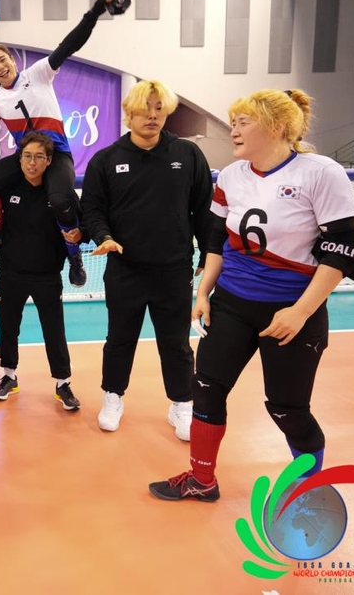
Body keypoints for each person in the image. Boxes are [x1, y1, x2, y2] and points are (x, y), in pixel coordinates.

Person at [149, 89, 354, 502]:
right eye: (233, 122)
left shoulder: (320, 173)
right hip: (231, 303)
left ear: (277, 127)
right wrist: (203, 293)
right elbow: (216, 240)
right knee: (206, 388)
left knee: (287, 409)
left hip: (291, 312)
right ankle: (202, 480)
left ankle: (308, 487)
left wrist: (300, 312)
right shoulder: (231, 176)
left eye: (243, 123)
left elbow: (342, 252)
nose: (233, 130)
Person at [80, 80, 213, 440]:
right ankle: (113, 397)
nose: (153, 116)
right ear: (128, 114)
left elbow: (204, 208)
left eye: (159, 109)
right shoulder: (106, 160)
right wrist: (104, 237)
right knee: (119, 339)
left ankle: (181, 403)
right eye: (145, 109)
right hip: (125, 270)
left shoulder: (187, 154)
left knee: (176, 342)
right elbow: (92, 209)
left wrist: (208, 252)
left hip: (174, 269)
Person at [0, 0, 117, 289]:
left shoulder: (38, 73)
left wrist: (94, 13)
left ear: (12, 60)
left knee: (61, 201)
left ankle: (74, 255)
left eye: (2, 60)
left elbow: (69, 45)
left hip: (57, 154)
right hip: (25, 157)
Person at [0, 132, 81, 410]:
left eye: (39, 157)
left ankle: (63, 383)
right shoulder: (8, 190)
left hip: (47, 275)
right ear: (20, 159)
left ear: (49, 160)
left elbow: (83, 223)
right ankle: (9, 376)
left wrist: (80, 234)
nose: (32, 163)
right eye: (27, 156)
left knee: (54, 331)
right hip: (10, 273)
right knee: (8, 328)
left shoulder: (59, 194)